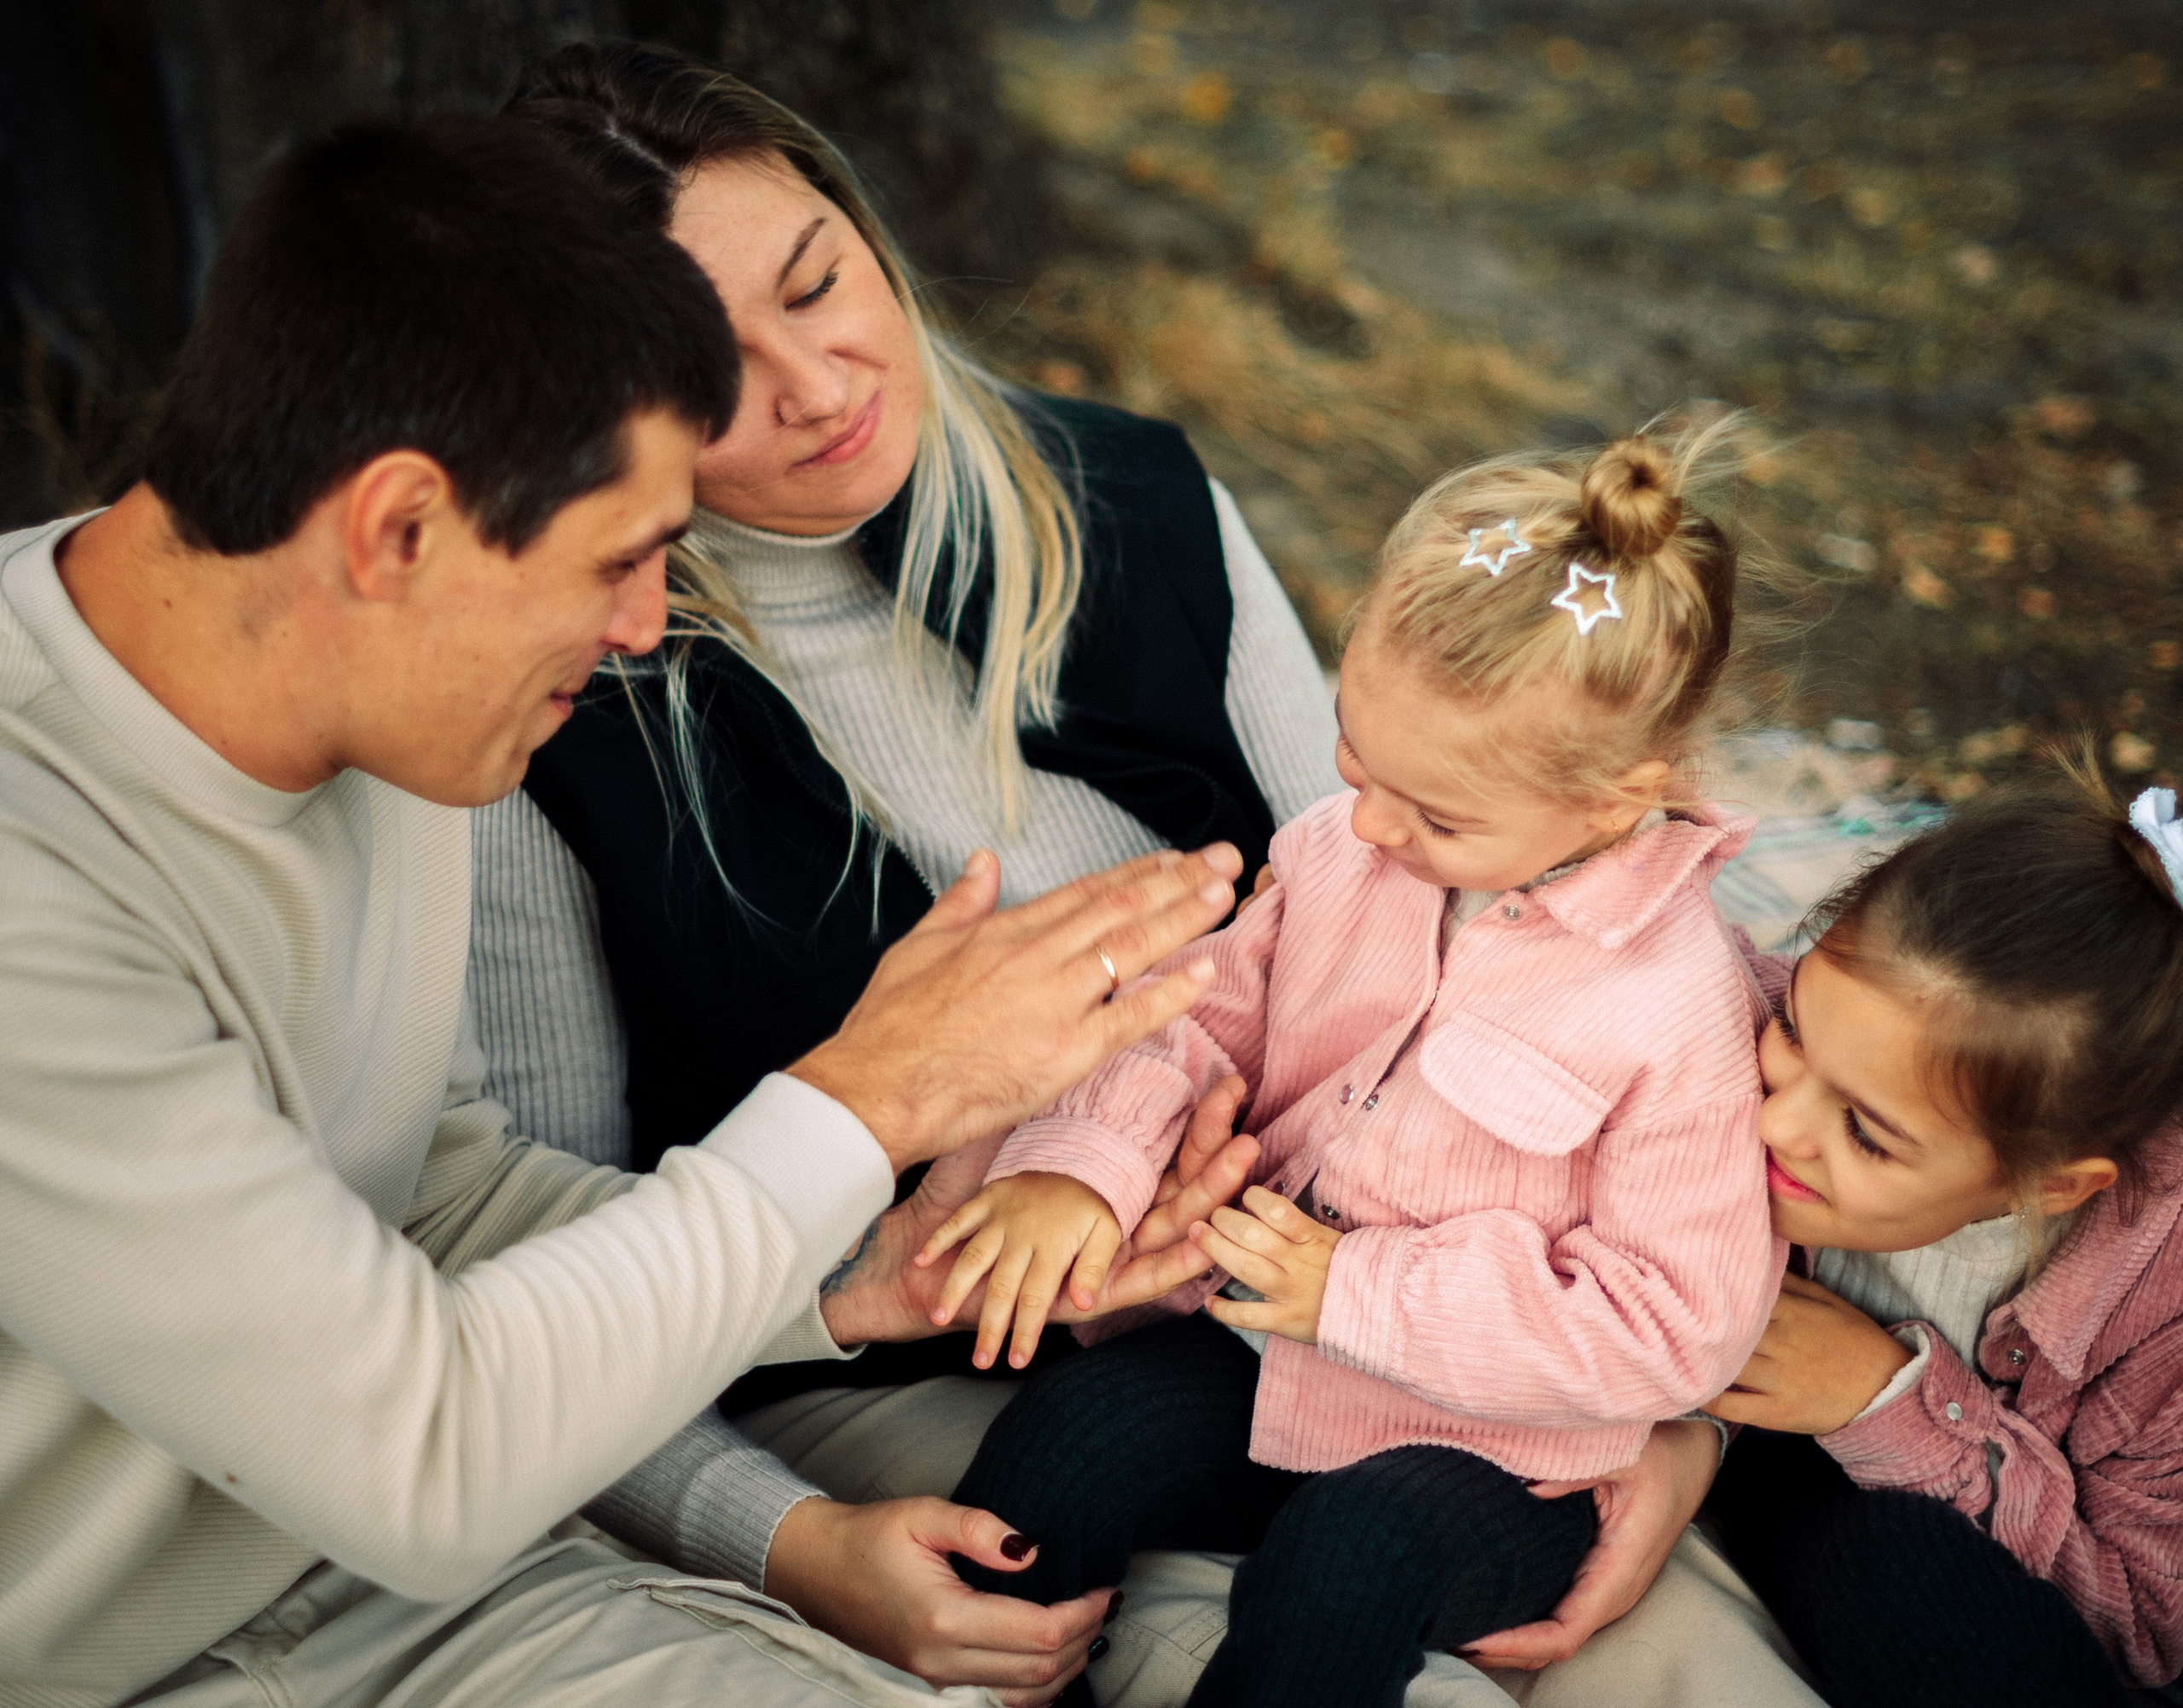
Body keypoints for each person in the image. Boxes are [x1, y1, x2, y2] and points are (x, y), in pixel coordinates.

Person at [0, 112, 1253, 1708]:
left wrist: (863, 1269)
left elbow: (440, 1204)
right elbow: (425, 1450)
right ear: (399, 527)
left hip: (446, 1587)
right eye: (620, 558)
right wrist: (864, 1098)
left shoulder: (393, 710)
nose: (646, 625)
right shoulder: (30, 890)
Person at [467, 40, 1340, 1697]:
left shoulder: (1136, 501)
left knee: (1677, 1651)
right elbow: (535, 1276)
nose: (815, 383)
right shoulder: (547, 712)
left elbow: (1437, 946)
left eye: (819, 280)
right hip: (902, 1363)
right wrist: (776, 1535)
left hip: (1341, 1277)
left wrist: (1639, 1413)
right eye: (706, 369)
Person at [923, 426, 1787, 1706]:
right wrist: (1085, 1169)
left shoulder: (1678, 1007)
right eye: (1354, 756)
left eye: (1435, 814)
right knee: (1074, 1438)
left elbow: (1675, 1321)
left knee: (1348, 1561)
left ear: (1616, 799)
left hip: (1498, 1451)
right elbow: (1193, 1020)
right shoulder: (1341, 852)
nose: (1370, 824)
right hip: (1265, 1351)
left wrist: (1361, 1287)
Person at [1471, 767, 2183, 1708]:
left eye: (1865, 1132)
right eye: (1796, 1033)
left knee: (1898, 1561)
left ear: (2050, 1184)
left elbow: (2139, 1622)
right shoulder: (1730, 1022)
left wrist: (1875, 1400)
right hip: (1754, 1478)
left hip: (1938, 1555)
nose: (1775, 1123)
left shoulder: (2159, 1304)